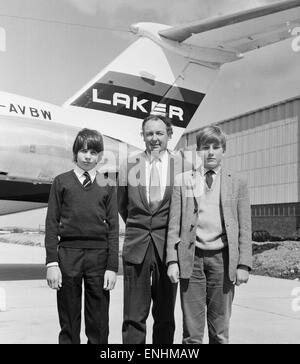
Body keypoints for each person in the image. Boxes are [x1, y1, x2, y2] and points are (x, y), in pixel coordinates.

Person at [167, 125, 252, 344]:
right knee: (192, 334)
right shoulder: (183, 180)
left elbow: (245, 226)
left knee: (220, 332)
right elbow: (173, 225)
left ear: (224, 150)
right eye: (205, 147)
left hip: (222, 261)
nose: (211, 152)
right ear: (198, 151)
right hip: (191, 260)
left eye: (216, 147)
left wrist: (243, 264)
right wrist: (172, 260)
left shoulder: (238, 183)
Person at [118, 114, 189, 344]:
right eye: (149, 134)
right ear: (143, 136)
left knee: (165, 316)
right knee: (133, 317)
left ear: (169, 135)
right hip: (136, 246)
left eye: (159, 133)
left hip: (168, 250)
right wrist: (139, 226)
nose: (154, 139)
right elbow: (122, 205)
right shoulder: (130, 165)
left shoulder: (184, 167)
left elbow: (187, 209)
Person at [45, 128, 119, 344]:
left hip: (99, 256)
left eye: (94, 152)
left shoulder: (107, 183)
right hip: (68, 254)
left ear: (100, 156)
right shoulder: (61, 182)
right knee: (69, 317)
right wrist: (52, 263)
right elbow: (51, 224)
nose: (88, 156)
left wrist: (112, 267)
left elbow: (113, 228)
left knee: (98, 321)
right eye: (84, 151)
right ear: (75, 152)